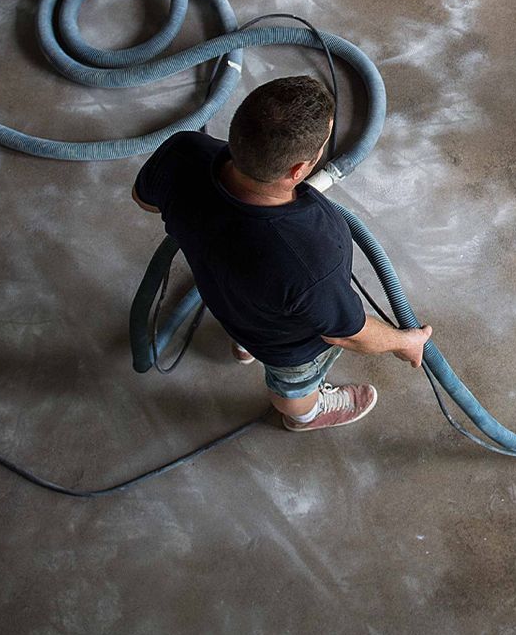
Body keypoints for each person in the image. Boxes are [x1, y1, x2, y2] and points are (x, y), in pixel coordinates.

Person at [132, 75, 432, 430]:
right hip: (285, 345)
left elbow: (143, 198)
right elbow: (345, 332)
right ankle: (304, 415)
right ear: (298, 170)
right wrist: (403, 342)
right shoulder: (312, 256)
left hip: (227, 301)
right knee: (294, 386)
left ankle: (244, 344)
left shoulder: (183, 151)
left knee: (251, 309)